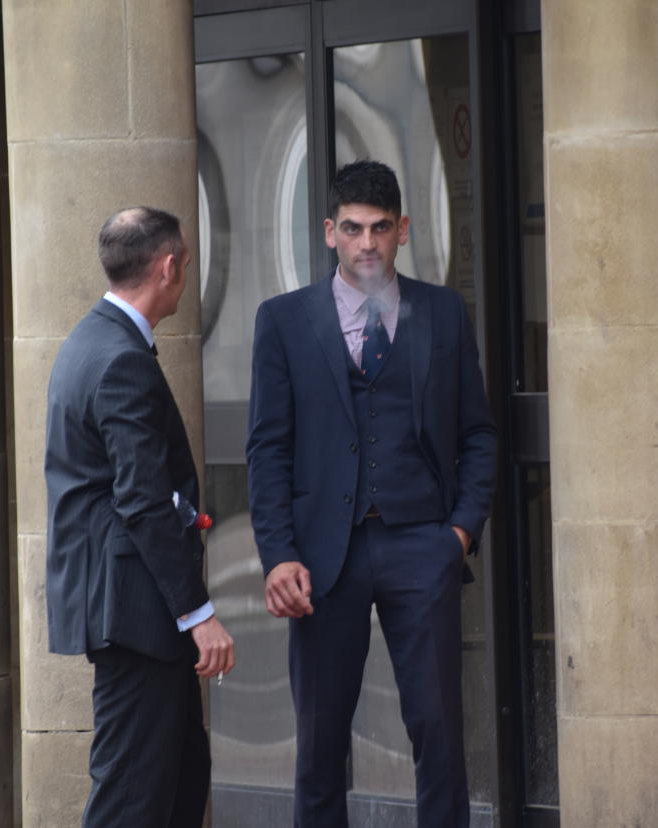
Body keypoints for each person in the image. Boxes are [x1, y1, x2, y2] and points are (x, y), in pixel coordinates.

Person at [247, 161, 497, 827]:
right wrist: (277, 555)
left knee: (438, 732)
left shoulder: (442, 313)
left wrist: (459, 533)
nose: (366, 243)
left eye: (380, 229)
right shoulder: (284, 322)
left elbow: (478, 433)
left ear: (403, 231)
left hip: (424, 544)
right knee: (320, 744)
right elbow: (267, 450)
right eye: (352, 228)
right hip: (325, 560)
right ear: (329, 232)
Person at [45, 206, 234, 827]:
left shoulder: (92, 340)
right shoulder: (120, 356)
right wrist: (199, 613)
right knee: (132, 798)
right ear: (170, 266)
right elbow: (142, 500)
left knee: (179, 781)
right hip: (135, 612)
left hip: (132, 609)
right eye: (186, 262)